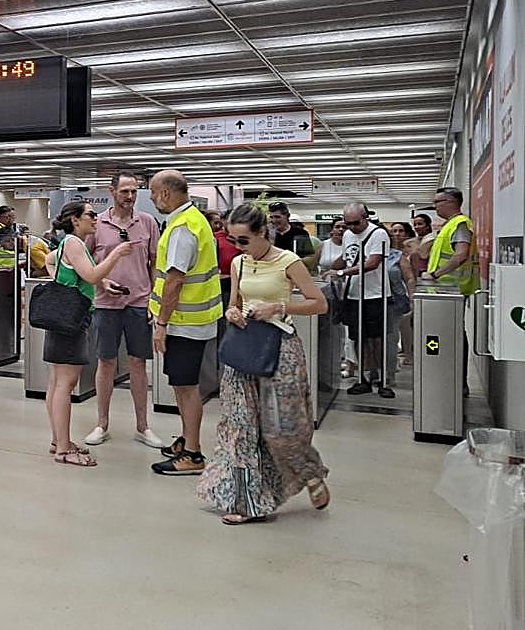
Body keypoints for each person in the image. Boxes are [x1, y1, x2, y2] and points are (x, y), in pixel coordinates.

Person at [197, 204, 331, 524]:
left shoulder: (288, 262)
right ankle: (247, 502)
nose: (238, 247)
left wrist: (279, 307)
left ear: (263, 234)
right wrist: (231, 313)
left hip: (280, 349)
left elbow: (319, 303)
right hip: (244, 348)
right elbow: (235, 304)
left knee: (281, 428)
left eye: (243, 240)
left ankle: (309, 472)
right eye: (232, 240)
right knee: (239, 428)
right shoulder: (240, 264)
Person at [42, 201, 134, 467]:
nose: (96, 219)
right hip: (72, 321)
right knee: (65, 383)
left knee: (56, 382)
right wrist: (115, 255)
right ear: (75, 219)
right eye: (91, 215)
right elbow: (91, 275)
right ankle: (62, 448)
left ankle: (58, 440)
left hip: (62, 319)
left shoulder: (68, 244)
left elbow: (54, 263)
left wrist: (99, 282)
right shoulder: (74, 244)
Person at [148, 170, 223, 476]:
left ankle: (193, 453)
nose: (152, 199)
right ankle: (186, 438)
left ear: (166, 193)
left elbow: (175, 281)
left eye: (153, 193)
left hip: (183, 323)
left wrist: (162, 322)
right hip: (194, 321)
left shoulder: (182, 228)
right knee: (183, 385)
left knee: (186, 387)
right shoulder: (194, 219)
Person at [83, 173, 164, 450]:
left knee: (138, 363)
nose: (130, 197)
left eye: (134, 191)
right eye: (125, 191)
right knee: (106, 362)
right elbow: (86, 263)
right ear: (112, 191)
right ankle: (101, 424)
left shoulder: (148, 222)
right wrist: (103, 281)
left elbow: (155, 263)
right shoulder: (97, 225)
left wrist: (155, 298)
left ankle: (143, 426)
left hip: (139, 303)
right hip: (106, 304)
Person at [330, 203, 393, 398]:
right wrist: (332, 267)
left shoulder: (378, 234)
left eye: (355, 223)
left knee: (376, 339)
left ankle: (383, 379)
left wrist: (341, 272)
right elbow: (349, 257)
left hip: (374, 295)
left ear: (365, 217)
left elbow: (372, 263)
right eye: (347, 223)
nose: (351, 227)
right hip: (353, 294)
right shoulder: (348, 235)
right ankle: (363, 378)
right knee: (357, 338)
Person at [424, 187, 478, 393]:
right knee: (440, 336)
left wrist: (436, 274)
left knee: (448, 336)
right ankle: (446, 375)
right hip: (442, 293)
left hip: (451, 291)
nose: (435, 206)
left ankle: (457, 381)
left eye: (437, 202)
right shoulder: (449, 225)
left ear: (451, 202)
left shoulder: (460, 224)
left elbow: (460, 255)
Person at [389, 222, 419, 367]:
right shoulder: (384, 252)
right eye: (394, 231)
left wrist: (412, 296)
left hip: (403, 293)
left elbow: (412, 276)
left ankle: (409, 353)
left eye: (400, 231)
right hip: (390, 295)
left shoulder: (411, 250)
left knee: (406, 327)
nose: (397, 234)